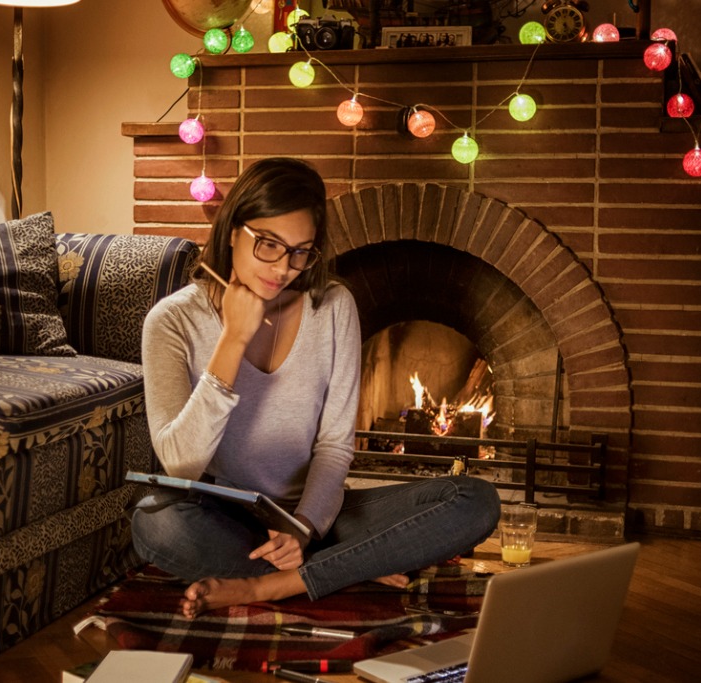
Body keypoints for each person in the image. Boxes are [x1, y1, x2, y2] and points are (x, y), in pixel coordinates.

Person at [132, 157, 500, 618]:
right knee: (155, 521)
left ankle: (275, 585)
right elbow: (181, 465)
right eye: (268, 244)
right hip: (233, 519)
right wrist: (232, 341)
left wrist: (304, 528)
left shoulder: (333, 306)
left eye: (300, 251)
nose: (284, 267)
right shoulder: (171, 321)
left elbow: (333, 447)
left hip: (321, 516)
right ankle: (347, 571)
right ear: (230, 231)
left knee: (473, 499)